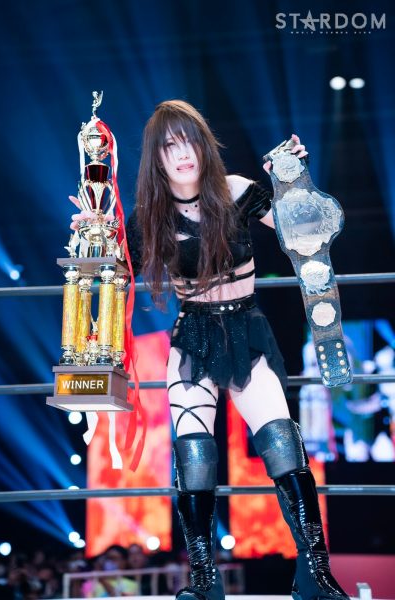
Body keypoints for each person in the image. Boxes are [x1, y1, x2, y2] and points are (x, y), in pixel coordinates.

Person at [123, 99, 350, 600]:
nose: (182, 153)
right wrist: (90, 229)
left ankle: (315, 575)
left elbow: (308, 232)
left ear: (203, 144)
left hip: (246, 331)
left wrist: (294, 183)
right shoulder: (149, 218)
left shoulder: (239, 191)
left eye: (189, 140)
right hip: (193, 337)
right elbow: (113, 273)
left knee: (284, 446)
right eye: (169, 145)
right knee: (194, 456)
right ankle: (205, 581)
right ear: (156, 157)